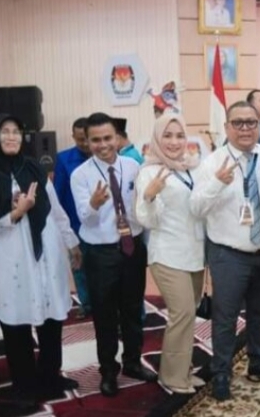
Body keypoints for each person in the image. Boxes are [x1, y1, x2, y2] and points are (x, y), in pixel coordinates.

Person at [0, 114, 82, 401]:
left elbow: (55, 209)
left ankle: (50, 375)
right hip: (8, 257)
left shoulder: (32, 166)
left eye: (16, 131)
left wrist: (71, 242)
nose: (12, 137)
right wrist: (16, 213)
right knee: (16, 321)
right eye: (5, 131)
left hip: (45, 254)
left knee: (51, 317)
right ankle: (24, 385)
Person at [191, 101, 260, 401]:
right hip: (228, 254)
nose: (245, 128)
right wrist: (217, 183)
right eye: (238, 123)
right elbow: (196, 208)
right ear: (227, 127)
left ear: (259, 125)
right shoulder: (212, 163)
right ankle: (221, 371)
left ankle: (259, 360)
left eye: (251, 122)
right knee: (225, 316)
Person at [70, 112, 156, 397]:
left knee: (133, 309)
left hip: (132, 247)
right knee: (105, 315)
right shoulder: (80, 175)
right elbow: (85, 218)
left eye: (108, 138)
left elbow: (142, 206)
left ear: (117, 138)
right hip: (100, 252)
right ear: (87, 141)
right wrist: (94, 204)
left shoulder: (133, 166)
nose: (103, 144)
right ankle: (108, 371)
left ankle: (133, 362)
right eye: (95, 140)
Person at [135, 114, 204, 395]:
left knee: (190, 313)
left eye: (179, 135)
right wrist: (150, 196)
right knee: (182, 312)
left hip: (195, 253)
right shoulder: (149, 172)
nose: (174, 142)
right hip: (167, 254)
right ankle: (172, 376)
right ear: (156, 138)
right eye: (167, 135)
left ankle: (183, 369)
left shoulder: (192, 168)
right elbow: (146, 219)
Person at [53, 116, 92, 319]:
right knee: (79, 266)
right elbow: (57, 194)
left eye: (87, 138)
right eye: (79, 139)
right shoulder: (63, 159)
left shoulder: (102, 155)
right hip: (75, 224)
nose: (84, 143)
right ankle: (86, 303)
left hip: (100, 223)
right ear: (73, 137)